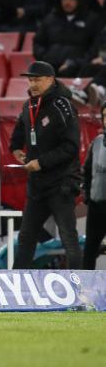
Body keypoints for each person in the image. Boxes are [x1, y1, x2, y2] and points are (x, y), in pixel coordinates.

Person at [9, 61, 83, 269]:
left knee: (69, 238)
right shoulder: (29, 105)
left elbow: (71, 147)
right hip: (37, 186)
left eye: (37, 80)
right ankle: (16, 291)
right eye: (30, 80)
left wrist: (40, 162)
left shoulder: (64, 106)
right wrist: (15, 149)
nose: (32, 84)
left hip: (61, 184)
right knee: (25, 238)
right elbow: (18, 135)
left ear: (51, 79)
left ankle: (79, 291)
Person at [34, 0, 103, 77]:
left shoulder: (92, 20)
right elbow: (38, 42)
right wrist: (44, 58)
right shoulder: (50, 19)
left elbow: (94, 49)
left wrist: (75, 63)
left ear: (79, 0)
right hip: (49, 66)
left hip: (77, 69)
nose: (67, 2)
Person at [82, 104, 106, 269]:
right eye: (105, 115)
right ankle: (84, 289)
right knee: (89, 250)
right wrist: (87, 195)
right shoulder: (97, 142)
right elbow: (87, 170)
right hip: (96, 206)